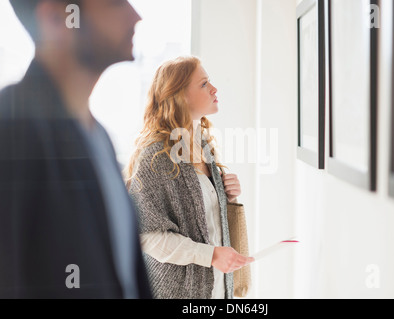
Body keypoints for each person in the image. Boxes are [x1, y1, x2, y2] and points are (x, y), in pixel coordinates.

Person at [0, 0, 150, 298]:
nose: (136, 16)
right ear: (58, 18)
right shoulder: (11, 127)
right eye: (115, 4)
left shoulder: (99, 138)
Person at [125, 56, 254, 299]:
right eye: (204, 84)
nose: (214, 89)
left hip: (215, 292)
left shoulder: (203, 146)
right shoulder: (156, 156)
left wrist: (230, 197)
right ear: (180, 95)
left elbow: (209, 223)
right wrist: (210, 255)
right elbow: (148, 236)